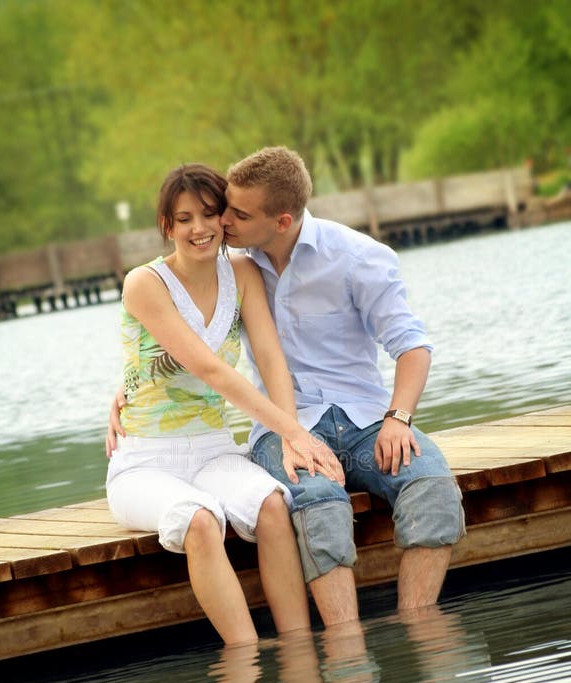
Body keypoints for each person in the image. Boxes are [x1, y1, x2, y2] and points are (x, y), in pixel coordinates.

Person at [109, 147, 466, 626]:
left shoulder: (350, 258)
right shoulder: (234, 263)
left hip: (364, 420)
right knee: (317, 503)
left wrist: (399, 418)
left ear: (280, 221)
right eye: (219, 211)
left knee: (433, 487)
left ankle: (416, 628)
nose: (221, 225)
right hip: (281, 427)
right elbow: (189, 348)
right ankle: (345, 648)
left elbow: (412, 346)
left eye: (231, 214)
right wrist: (126, 391)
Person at [105, 162, 345, 647]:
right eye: (185, 218)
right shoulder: (144, 284)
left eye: (211, 214)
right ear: (167, 225)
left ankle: (298, 655)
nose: (200, 228)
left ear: (225, 219)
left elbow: (272, 359)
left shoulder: (242, 272)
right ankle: (247, 660)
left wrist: (288, 434)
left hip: (214, 451)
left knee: (274, 505)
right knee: (200, 520)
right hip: (145, 461)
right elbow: (211, 370)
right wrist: (297, 434)